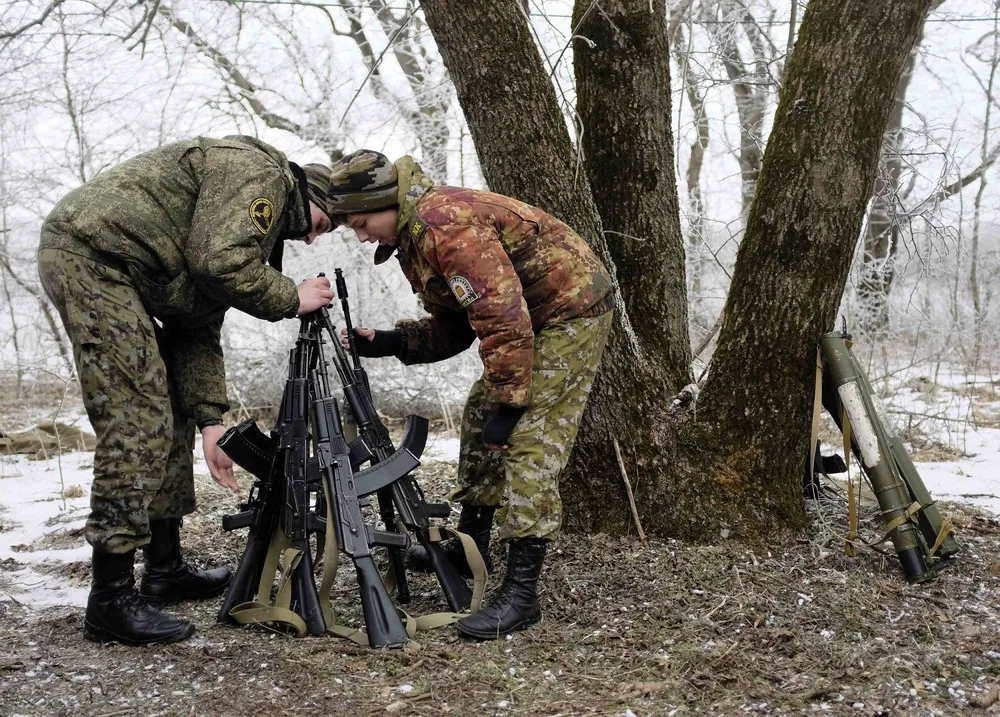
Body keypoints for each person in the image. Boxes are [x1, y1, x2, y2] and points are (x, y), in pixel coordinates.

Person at [37, 135, 336, 646]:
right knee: (138, 419)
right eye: (320, 225)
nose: (311, 240)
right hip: (93, 257)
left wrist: (210, 418)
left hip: (119, 267)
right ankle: (109, 599)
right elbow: (218, 263)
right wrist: (292, 296)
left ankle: (164, 568)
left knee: (169, 410)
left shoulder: (233, 225)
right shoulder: (262, 174)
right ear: (305, 195)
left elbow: (196, 326)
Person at [326, 149, 615, 639]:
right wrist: (392, 343)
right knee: (481, 416)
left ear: (384, 201)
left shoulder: (445, 223)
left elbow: (502, 318)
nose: (360, 235)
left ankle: (522, 595)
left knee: (529, 438)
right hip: (526, 323)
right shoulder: (415, 235)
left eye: (361, 222)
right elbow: (461, 323)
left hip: (569, 314)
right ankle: (470, 545)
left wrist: (511, 404)